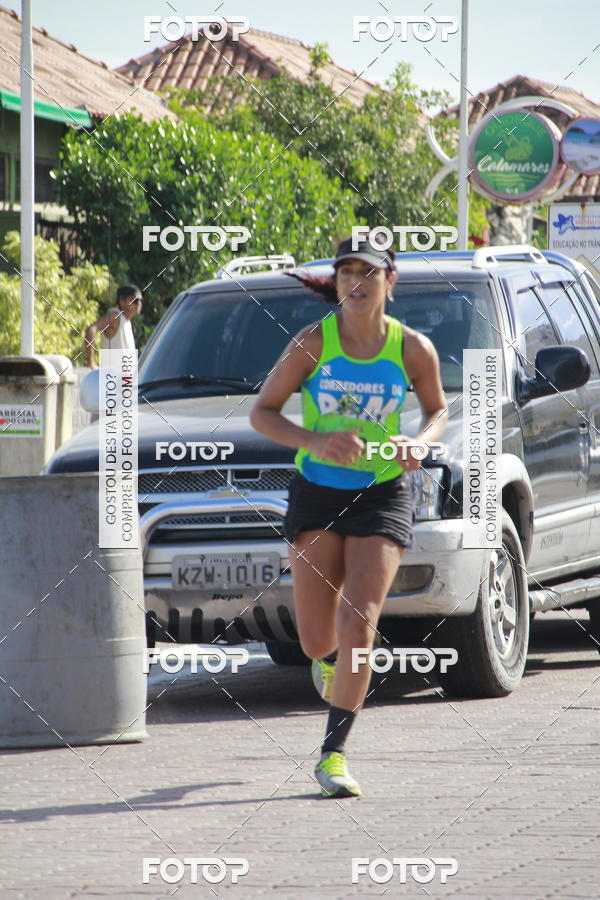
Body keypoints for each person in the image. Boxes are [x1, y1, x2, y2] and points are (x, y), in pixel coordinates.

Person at [250, 232, 447, 799]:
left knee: (358, 622)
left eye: (368, 273)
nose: (355, 284)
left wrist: (420, 441)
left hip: (383, 495)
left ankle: (332, 755)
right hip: (317, 494)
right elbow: (264, 413)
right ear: (335, 283)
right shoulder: (314, 343)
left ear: (390, 282)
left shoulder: (412, 349)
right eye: (345, 274)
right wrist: (316, 439)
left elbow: (437, 409)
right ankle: (329, 665)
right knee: (316, 641)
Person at [84, 284, 143, 368]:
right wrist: (91, 362)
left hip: (125, 378)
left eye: (140, 300)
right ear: (122, 301)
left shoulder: (126, 320)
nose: (138, 304)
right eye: (134, 300)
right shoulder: (115, 316)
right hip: (113, 377)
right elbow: (90, 330)